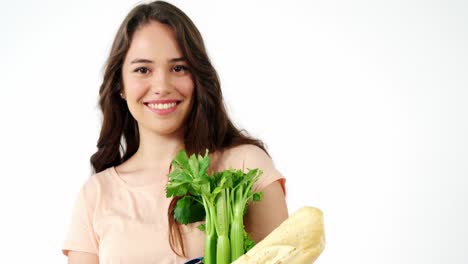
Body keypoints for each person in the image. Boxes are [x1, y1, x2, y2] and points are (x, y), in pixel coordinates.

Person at [61, 1, 288, 263]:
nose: (161, 86)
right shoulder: (96, 194)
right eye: (142, 70)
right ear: (120, 86)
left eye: (178, 68)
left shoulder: (246, 166)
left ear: (198, 78)